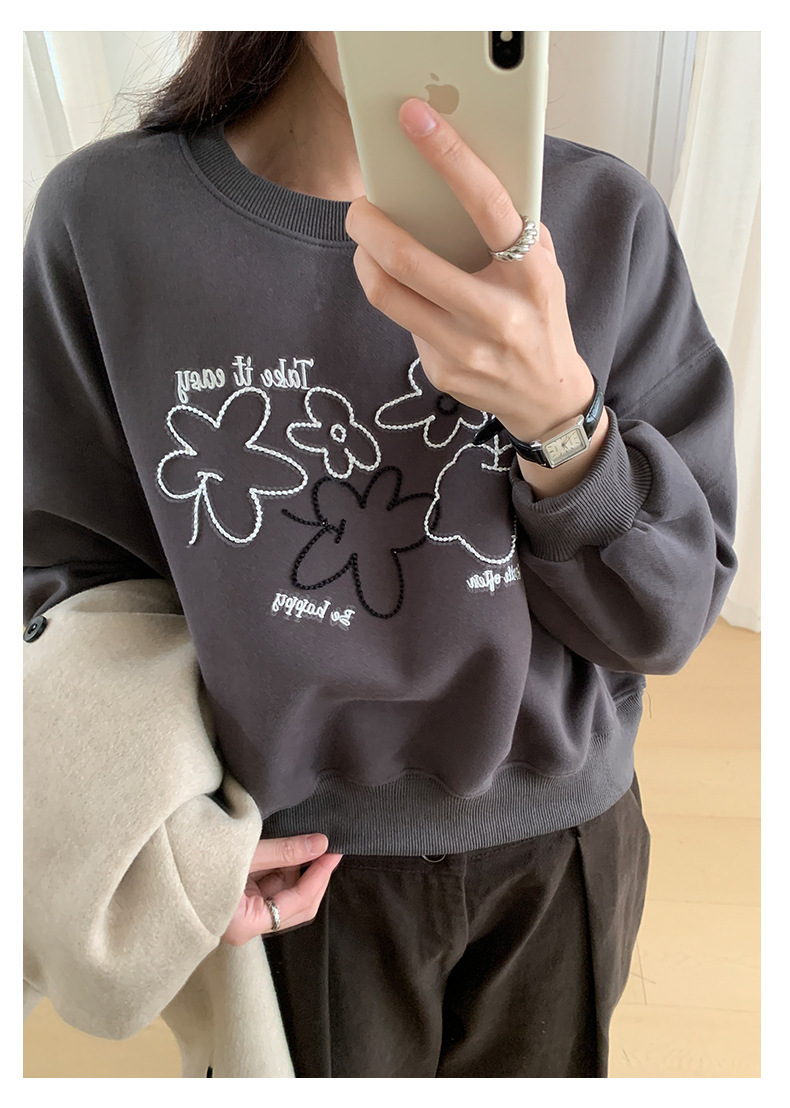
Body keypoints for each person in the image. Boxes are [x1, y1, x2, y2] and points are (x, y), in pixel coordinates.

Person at [23, 31, 737, 1078]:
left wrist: (564, 426)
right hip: (295, 873)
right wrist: (168, 840)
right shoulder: (108, 221)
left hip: (562, 849)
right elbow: (76, 589)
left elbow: (665, 619)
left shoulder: (603, 217)